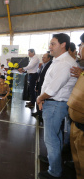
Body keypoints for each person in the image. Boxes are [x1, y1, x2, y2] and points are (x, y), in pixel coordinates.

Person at [37, 33, 78, 179]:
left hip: (54, 104)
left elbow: (52, 89)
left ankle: (54, 171)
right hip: (56, 104)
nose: (50, 47)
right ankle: (53, 159)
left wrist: (40, 98)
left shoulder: (64, 63)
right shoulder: (59, 61)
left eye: (53, 43)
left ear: (63, 45)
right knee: (57, 136)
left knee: (51, 139)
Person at [67, 33, 84, 179]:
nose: (80, 48)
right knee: (78, 162)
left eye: (81, 45)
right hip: (76, 123)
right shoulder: (81, 68)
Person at [32, 51, 52, 120]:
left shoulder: (50, 65)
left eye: (44, 57)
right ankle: (38, 112)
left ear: (49, 58)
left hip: (45, 87)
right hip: (40, 85)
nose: (43, 59)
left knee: (42, 100)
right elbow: (39, 76)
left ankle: (41, 115)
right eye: (42, 57)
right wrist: (37, 86)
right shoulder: (43, 65)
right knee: (38, 98)